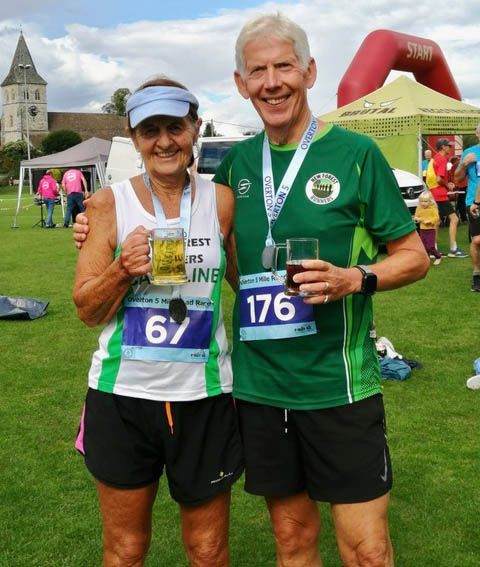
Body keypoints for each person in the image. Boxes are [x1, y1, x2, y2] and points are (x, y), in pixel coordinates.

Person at [74, 14, 430, 566]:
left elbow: (413, 256)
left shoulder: (350, 156)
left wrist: (353, 279)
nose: (272, 82)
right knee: (291, 543)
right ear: (240, 85)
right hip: (258, 392)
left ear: (309, 72)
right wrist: (107, 245)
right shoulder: (235, 167)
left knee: (366, 551)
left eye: (284, 66)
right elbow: (221, 260)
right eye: (257, 71)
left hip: (336, 386)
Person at [73, 76, 243, 567]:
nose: (165, 141)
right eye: (151, 130)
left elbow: (245, 282)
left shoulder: (222, 201)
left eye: (176, 126)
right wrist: (122, 270)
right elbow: (87, 309)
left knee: (208, 550)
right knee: (126, 550)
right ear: (133, 135)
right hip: (124, 397)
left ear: (195, 127)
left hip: (204, 396)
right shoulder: (106, 205)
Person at [426, 138, 467, 258]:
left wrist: (447, 185)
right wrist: (447, 185)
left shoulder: (435, 158)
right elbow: (439, 179)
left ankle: (433, 249)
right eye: (449, 146)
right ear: (443, 147)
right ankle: (453, 249)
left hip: (433, 193)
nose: (450, 148)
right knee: (454, 219)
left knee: (436, 221)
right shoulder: (442, 159)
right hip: (439, 195)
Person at [455, 124, 480, 291]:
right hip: (474, 202)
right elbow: (457, 179)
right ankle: (477, 275)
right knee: (477, 241)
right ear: (477, 134)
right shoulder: (470, 152)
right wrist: (464, 164)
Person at [414, 190, 442, 265]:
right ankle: (426, 259)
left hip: (431, 230)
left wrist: (430, 221)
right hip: (422, 230)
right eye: (422, 201)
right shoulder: (419, 208)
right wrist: (416, 219)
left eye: (426, 201)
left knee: (430, 246)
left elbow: (436, 218)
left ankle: (438, 257)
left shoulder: (433, 209)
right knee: (424, 246)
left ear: (430, 201)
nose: (423, 203)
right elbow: (416, 216)